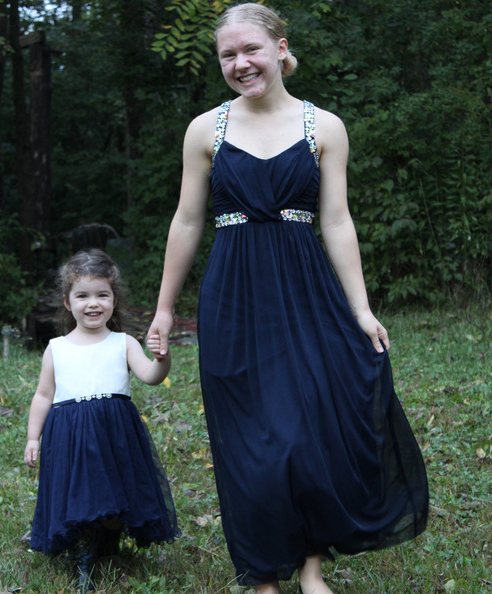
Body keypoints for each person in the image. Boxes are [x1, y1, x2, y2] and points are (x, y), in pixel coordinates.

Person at [148, 3, 429, 593]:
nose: (240, 63)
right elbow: (187, 221)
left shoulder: (323, 126)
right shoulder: (207, 129)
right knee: (250, 435)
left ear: (280, 47)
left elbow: (337, 222)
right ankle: (262, 577)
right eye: (228, 54)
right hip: (234, 295)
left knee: (306, 429)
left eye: (250, 49)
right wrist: (165, 308)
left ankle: (308, 568)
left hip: (305, 291)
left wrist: (360, 307)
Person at [24, 249, 179, 592]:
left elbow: (151, 376)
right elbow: (43, 395)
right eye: (82, 295)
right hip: (70, 434)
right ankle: (83, 557)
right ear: (67, 302)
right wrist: (34, 437)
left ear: (113, 300)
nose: (92, 304)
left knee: (114, 489)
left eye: (102, 295)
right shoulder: (56, 348)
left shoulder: (123, 343)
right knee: (80, 492)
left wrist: (162, 358)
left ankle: (108, 542)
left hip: (115, 432)